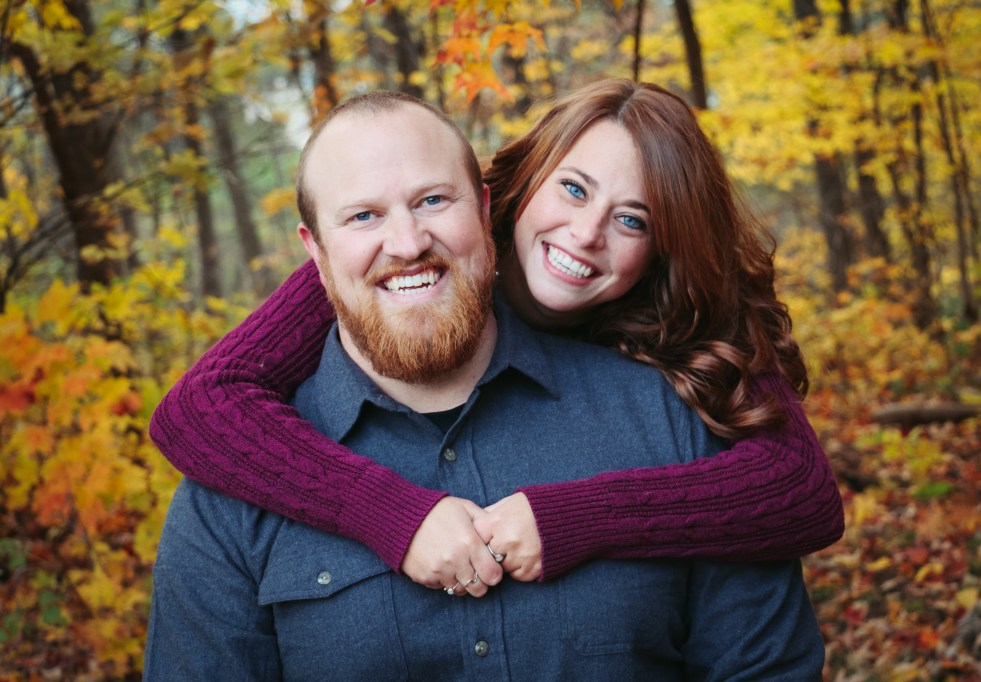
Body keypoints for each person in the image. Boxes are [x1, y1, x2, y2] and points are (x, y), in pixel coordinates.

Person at [144, 91, 824, 679]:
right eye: (574, 189)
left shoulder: (675, 393)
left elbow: (800, 490)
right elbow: (198, 403)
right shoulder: (242, 478)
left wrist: (579, 517)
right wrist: (393, 514)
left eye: (632, 219)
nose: (586, 233)